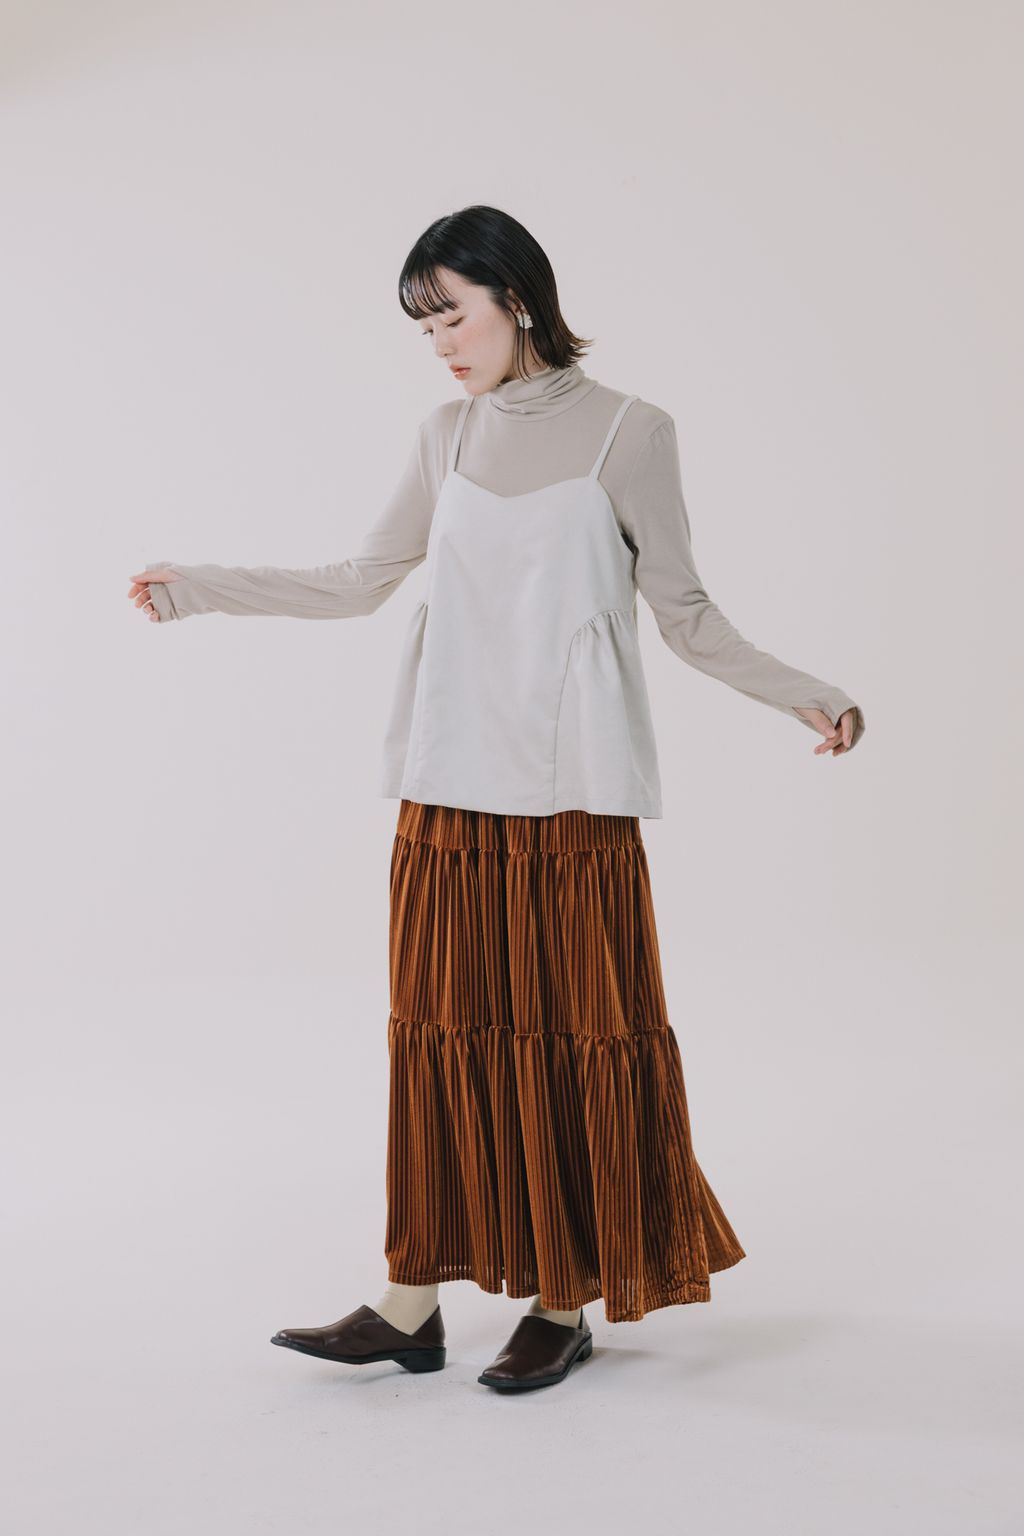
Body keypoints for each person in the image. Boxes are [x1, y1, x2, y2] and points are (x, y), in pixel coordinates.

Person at [129, 204, 864, 1394]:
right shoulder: (446, 434)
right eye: (422, 326)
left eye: (451, 317)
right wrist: (199, 586)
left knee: (570, 1040)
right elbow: (361, 580)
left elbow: (684, 613)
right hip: (449, 786)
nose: (439, 345)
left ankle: (558, 1303)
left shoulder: (632, 431)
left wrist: (808, 695)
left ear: (516, 300)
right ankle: (409, 1303)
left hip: (571, 796)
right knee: (439, 1041)